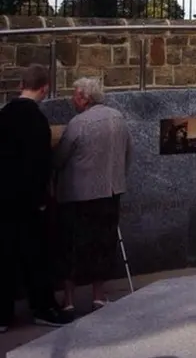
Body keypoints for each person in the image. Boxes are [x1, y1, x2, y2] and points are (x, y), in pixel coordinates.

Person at [0, 64, 73, 331]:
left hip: (3, 201)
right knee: (36, 258)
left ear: (21, 84)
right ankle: (43, 307)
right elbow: (39, 165)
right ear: (44, 88)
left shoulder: (4, 114)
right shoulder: (37, 121)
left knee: (4, 258)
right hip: (28, 203)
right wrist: (41, 198)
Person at [53, 77, 133, 313]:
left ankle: (68, 300)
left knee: (72, 246)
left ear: (85, 98)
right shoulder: (117, 117)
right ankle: (99, 296)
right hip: (110, 192)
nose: (72, 99)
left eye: (75, 95)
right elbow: (129, 152)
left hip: (78, 195)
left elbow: (60, 159)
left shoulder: (78, 123)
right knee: (103, 244)